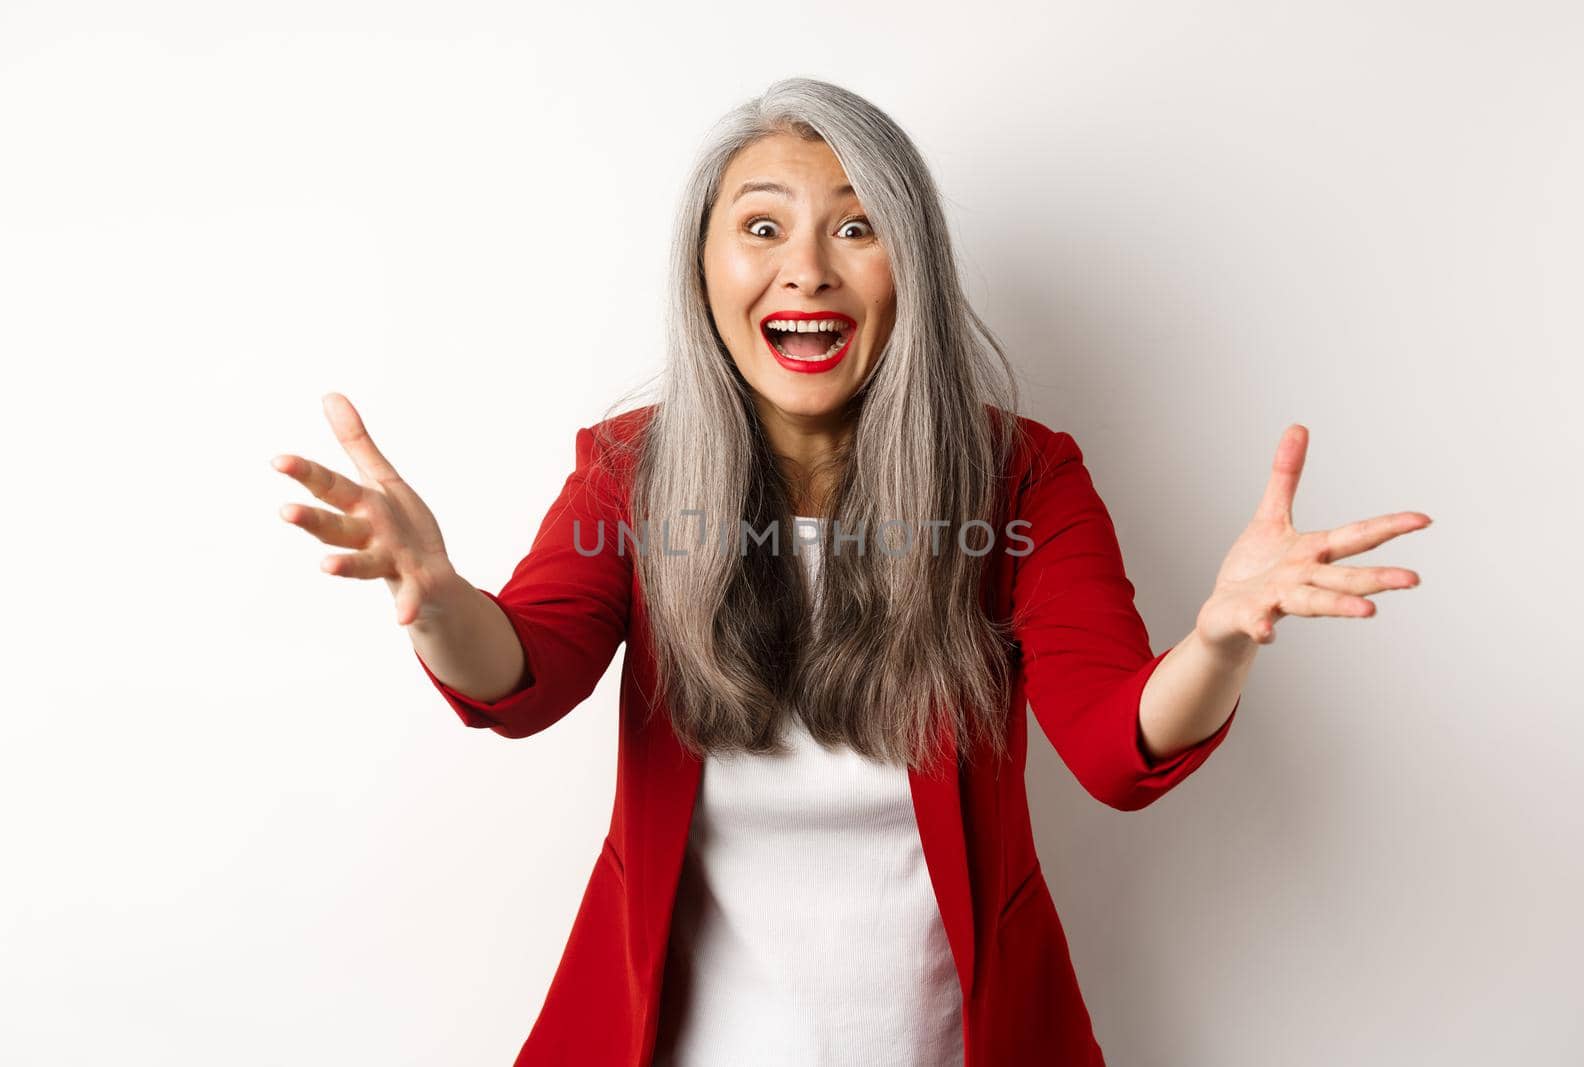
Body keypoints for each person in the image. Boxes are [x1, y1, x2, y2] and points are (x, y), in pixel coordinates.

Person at [271, 77, 1430, 1067]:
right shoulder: (632, 470)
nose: (808, 272)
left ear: (909, 266)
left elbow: (1115, 740)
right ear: (705, 265)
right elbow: (526, 672)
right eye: (762, 227)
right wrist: (437, 602)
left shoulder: (1019, 478)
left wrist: (1219, 644)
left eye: (858, 226)